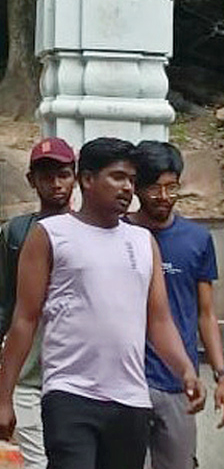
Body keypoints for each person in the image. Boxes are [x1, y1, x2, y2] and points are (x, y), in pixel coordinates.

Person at [0, 138, 207, 469]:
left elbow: (159, 321)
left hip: (131, 399)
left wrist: (186, 370)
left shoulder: (143, 242)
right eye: (117, 177)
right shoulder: (50, 234)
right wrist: (3, 398)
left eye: (131, 180)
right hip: (70, 394)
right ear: (87, 180)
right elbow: (25, 319)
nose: (127, 188)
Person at [0, 137, 77, 468]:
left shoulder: (90, 231)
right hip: (28, 376)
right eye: (46, 176)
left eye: (63, 174)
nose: (55, 184)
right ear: (31, 181)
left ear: (76, 176)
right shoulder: (16, 234)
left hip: (77, 377)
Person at [128, 140, 224, 469]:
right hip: (126, 381)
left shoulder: (197, 239)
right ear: (137, 187)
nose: (164, 197)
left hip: (179, 383)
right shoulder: (119, 232)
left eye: (172, 187)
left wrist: (220, 373)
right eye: (154, 187)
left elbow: (206, 314)